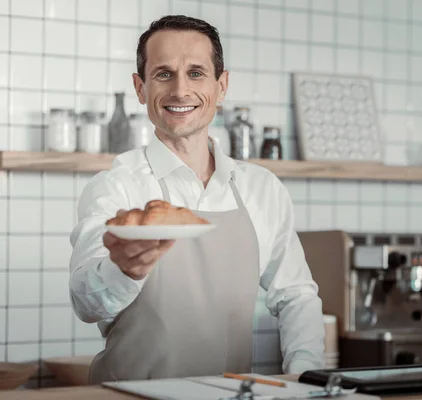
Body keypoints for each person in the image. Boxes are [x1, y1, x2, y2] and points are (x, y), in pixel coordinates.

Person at [69, 15, 325, 383]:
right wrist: (123, 270)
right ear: (140, 88)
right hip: (127, 395)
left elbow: (297, 295)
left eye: (196, 73)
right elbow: (85, 302)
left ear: (222, 86)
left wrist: (305, 377)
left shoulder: (261, 189)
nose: (180, 90)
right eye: (163, 74)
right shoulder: (116, 187)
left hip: (226, 394)